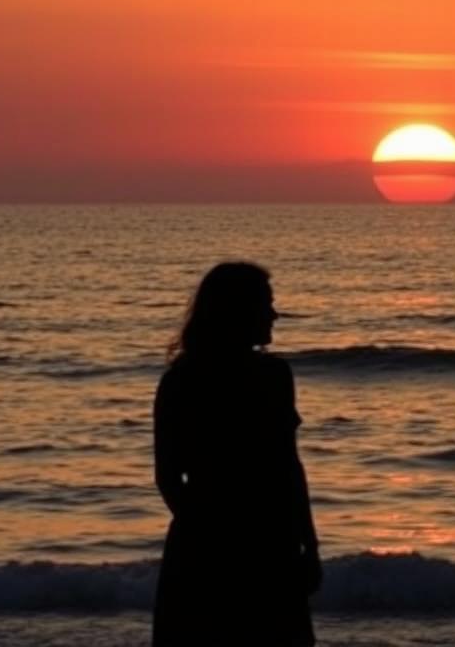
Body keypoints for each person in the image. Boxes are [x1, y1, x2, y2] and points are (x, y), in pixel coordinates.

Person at [152, 262, 321, 646]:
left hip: (213, 542)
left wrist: (204, 531)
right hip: (258, 543)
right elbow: (288, 470)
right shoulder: (270, 377)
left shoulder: (181, 379)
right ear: (239, 311)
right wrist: (306, 545)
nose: (274, 314)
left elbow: (168, 478)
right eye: (266, 304)